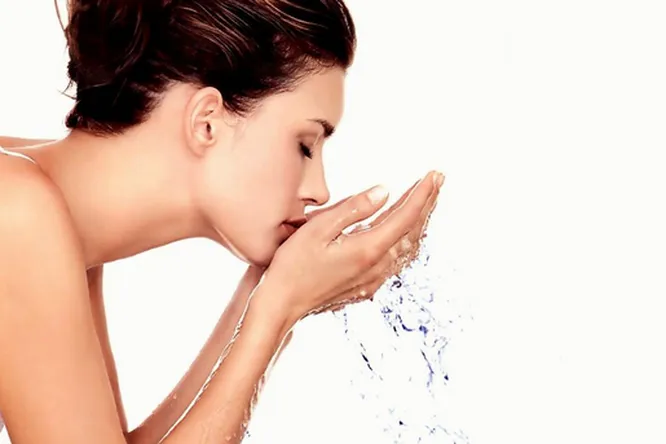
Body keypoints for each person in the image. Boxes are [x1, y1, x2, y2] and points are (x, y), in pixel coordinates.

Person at [0, 0, 444, 443]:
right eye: (305, 146)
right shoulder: (16, 211)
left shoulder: (53, 226)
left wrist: (266, 294)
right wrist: (277, 312)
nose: (320, 191)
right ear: (207, 122)